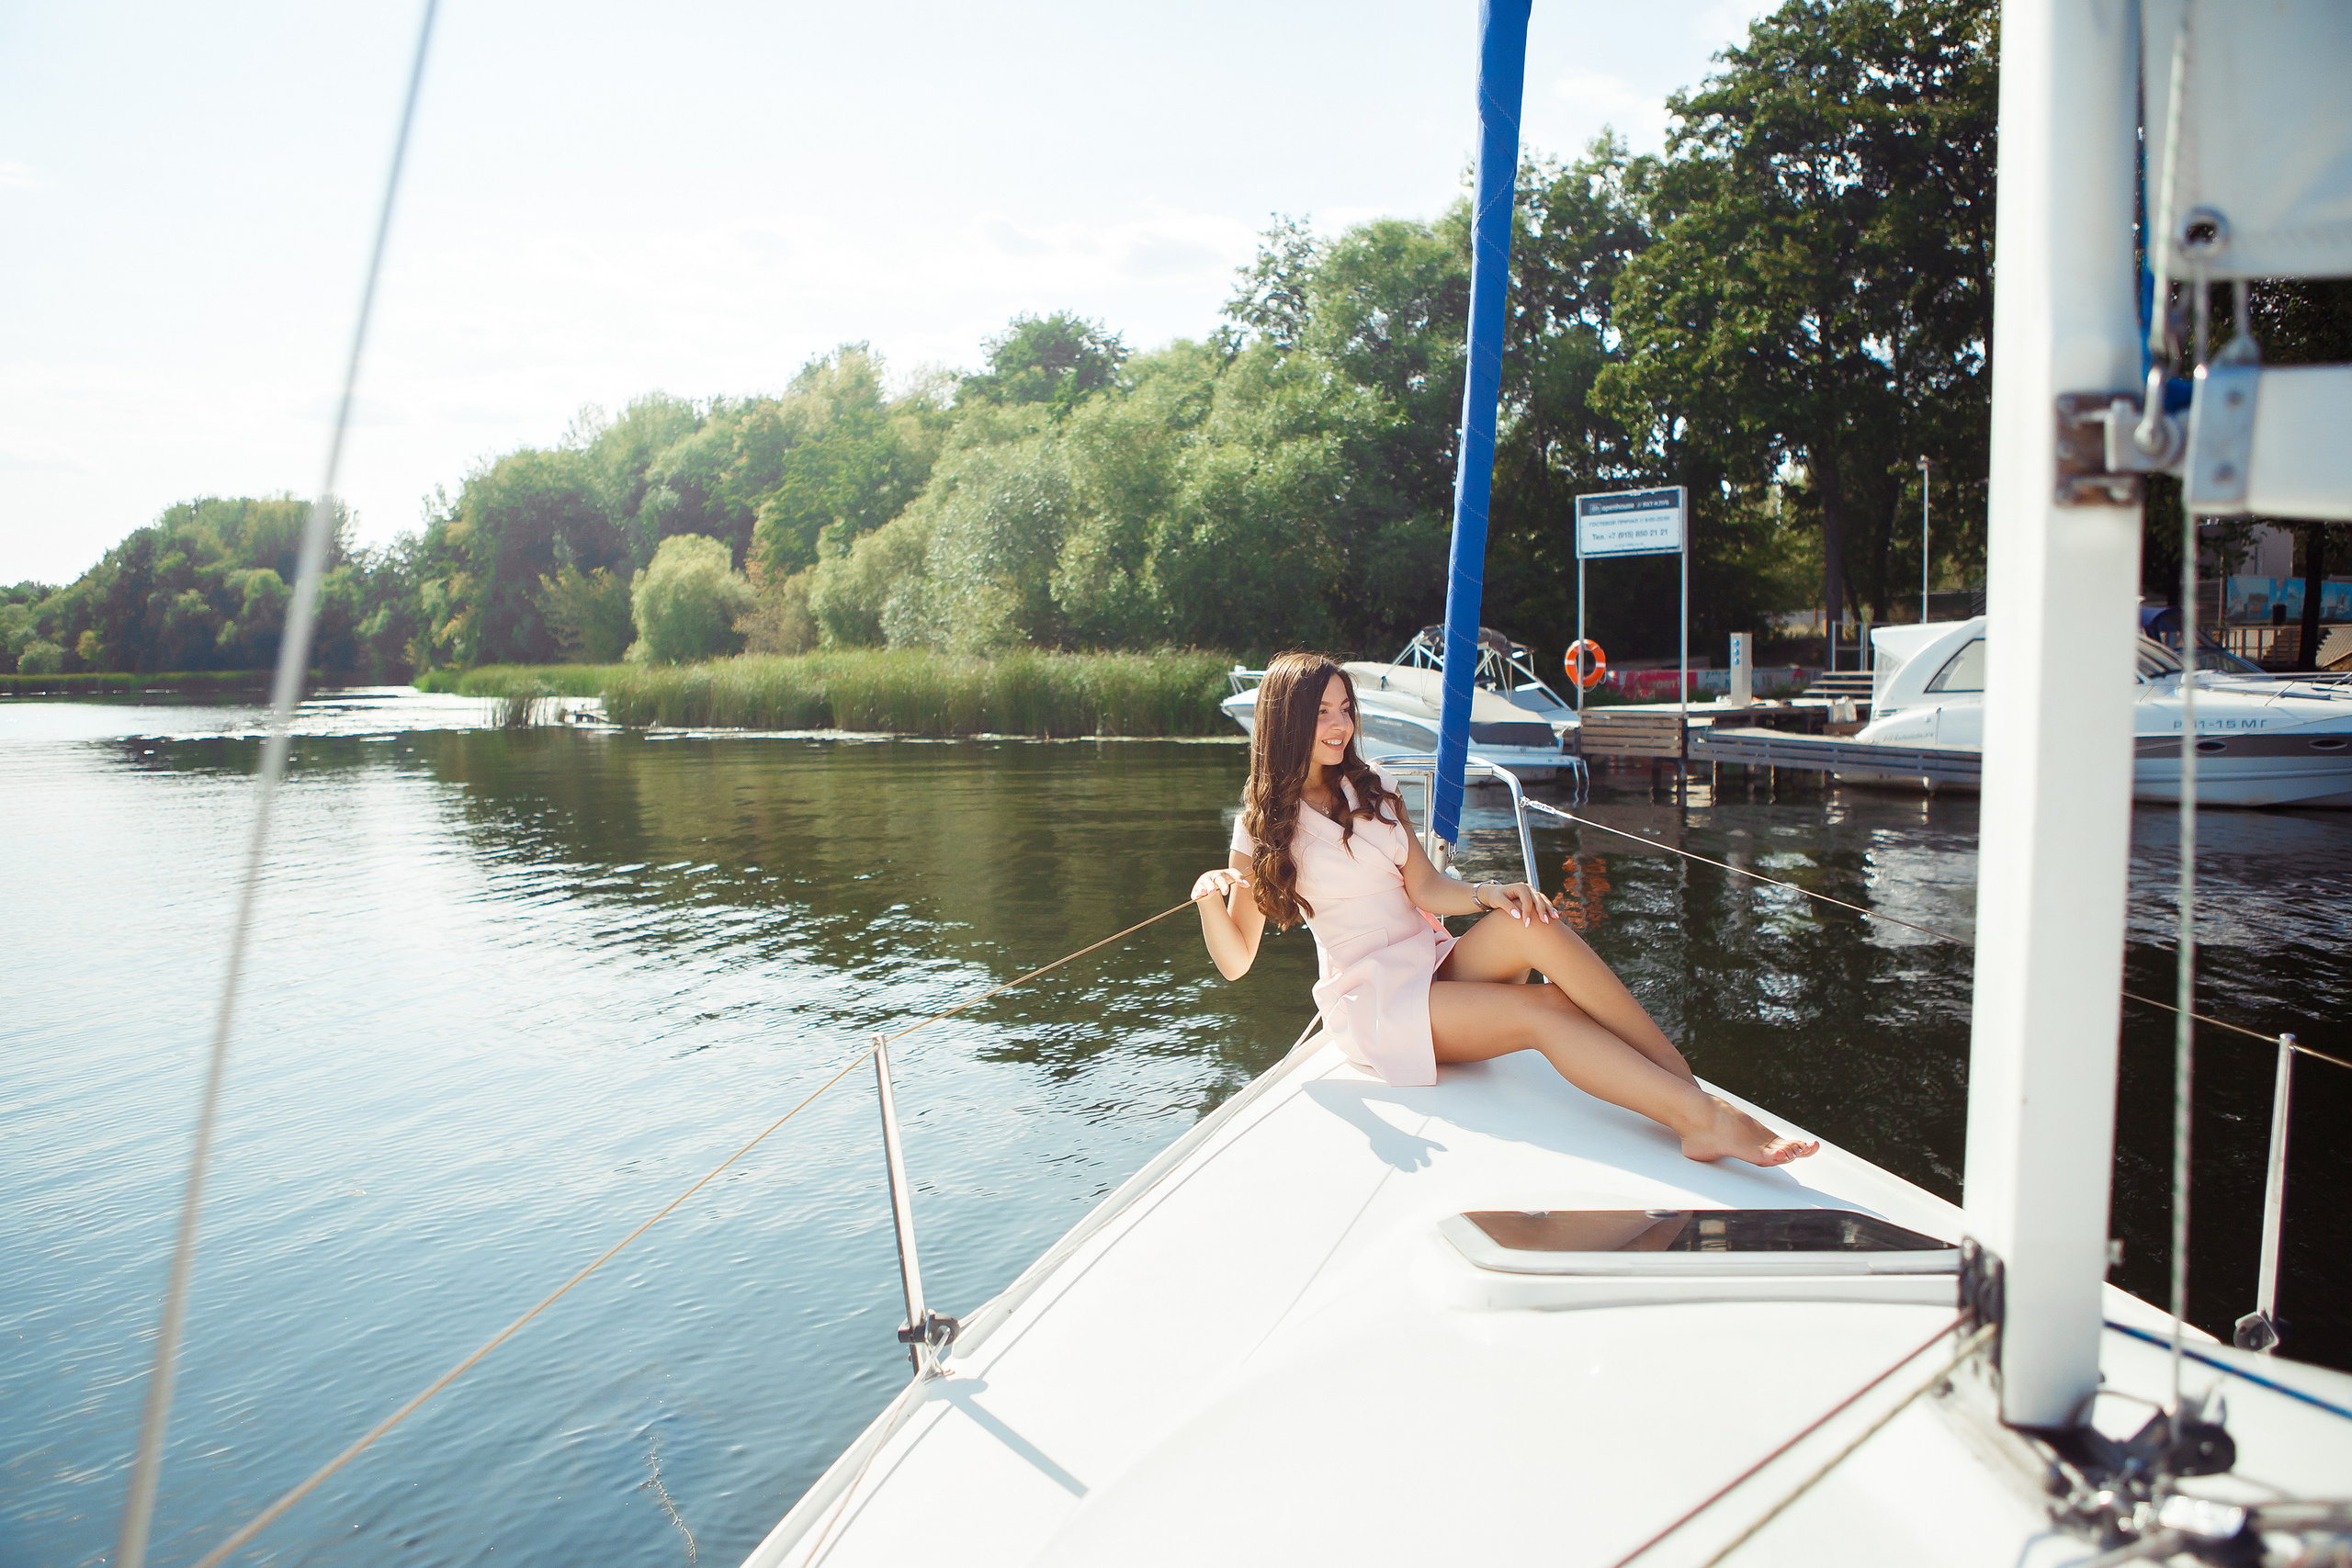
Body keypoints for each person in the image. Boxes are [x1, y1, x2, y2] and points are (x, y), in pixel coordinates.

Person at [1193, 650, 1816, 1168]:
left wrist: (1488, 892)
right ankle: (1701, 1120)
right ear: (1287, 721)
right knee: (1544, 1009)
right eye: (1323, 713)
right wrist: (1208, 898)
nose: (1341, 725)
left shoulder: (1375, 788)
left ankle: (1683, 1081)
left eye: (1346, 709)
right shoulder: (1263, 825)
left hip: (1431, 961)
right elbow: (1237, 959)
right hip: (1377, 1002)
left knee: (1530, 920)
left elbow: (1427, 888)